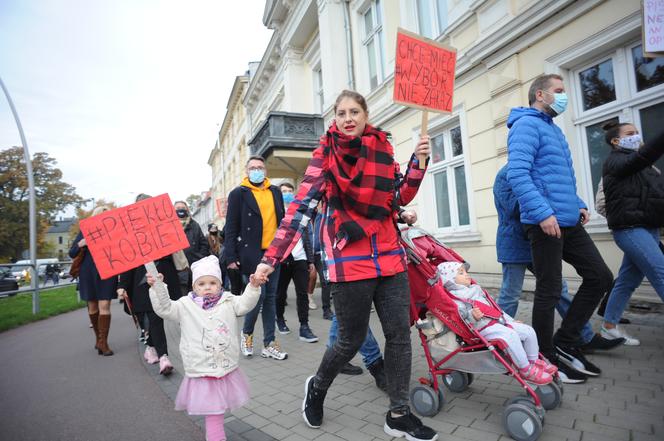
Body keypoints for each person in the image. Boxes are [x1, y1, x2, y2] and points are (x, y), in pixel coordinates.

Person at [254, 90, 437, 440]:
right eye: (341, 113)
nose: (348, 118)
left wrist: (418, 163)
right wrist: (270, 259)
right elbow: (298, 213)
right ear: (334, 119)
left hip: (389, 256)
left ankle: (398, 413)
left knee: (399, 336)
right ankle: (318, 387)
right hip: (348, 262)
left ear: (366, 115)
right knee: (349, 340)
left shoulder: (382, 150)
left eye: (355, 111)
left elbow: (397, 197)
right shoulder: (324, 159)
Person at [507, 74, 613, 377]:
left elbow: (561, 176)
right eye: (559, 91)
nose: (564, 96)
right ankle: (545, 355)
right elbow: (518, 174)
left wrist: (578, 202)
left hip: (567, 218)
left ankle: (565, 342)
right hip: (544, 222)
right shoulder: (526, 125)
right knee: (550, 289)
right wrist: (542, 213)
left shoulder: (553, 129)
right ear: (540, 94)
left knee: (600, 277)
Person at [493, 165, 624, 382]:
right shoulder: (506, 174)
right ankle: (497, 340)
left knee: (559, 288)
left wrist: (578, 205)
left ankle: (584, 336)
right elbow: (513, 208)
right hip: (515, 243)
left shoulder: (541, 170)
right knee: (510, 294)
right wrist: (539, 197)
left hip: (542, 240)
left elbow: (563, 193)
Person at [147, 255, 265, 441]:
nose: (207, 287)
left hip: (225, 367)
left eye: (212, 282)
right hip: (202, 370)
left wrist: (253, 287)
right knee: (214, 414)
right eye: (201, 284)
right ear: (194, 287)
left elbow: (245, 304)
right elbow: (165, 308)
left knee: (217, 412)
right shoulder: (185, 306)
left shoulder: (228, 300)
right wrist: (157, 288)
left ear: (220, 285)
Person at [438, 262, 556, 385]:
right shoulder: (454, 299)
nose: (467, 275)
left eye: (466, 272)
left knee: (528, 330)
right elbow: (460, 319)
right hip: (482, 328)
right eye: (461, 273)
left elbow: (496, 310)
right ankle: (525, 370)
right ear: (450, 280)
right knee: (510, 336)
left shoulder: (475, 290)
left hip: (498, 322)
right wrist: (473, 317)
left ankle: (533, 361)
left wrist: (510, 320)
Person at [599, 123, 664, 346]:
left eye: (637, 132)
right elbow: (641, 157)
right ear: (616, 141)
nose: (636, 136)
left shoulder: (645, 167)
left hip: (649, 227)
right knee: (661, 272)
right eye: (630, 133)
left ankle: (609, 327)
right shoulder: (616, 160)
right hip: (630, 229)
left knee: (628, 280)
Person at [225, 156, 288, 360]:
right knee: (256, 297)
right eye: (252, 168)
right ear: (246, 171)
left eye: (260, 167)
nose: (257, 171)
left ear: (265, 171)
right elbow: (231, 227)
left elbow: (283, 223)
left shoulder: (275, 192)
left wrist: (285, 250)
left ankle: (269, 343)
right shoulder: (238, 194)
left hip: (274, 253)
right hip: (251, 253)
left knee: (270, 297)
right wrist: (230, 257)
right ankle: (247, 335)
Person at [69, 206, 118, 356]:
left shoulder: (114, 231)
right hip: (88, 272)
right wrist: (81, 243)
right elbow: (72, 253)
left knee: (105, 305)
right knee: (92, 307)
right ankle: (98, 339)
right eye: (100, 215)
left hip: (108, 271)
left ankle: (103, 342)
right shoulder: (85, 230)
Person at [275, 182, 318, 343]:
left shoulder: (301, 211)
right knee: (280, 293)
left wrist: (310, 259)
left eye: (289, 191)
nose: (286, 193)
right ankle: (279, 319)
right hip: (282, 259)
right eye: (283, 191)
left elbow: (308, 236)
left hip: (300, 258)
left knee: (302, 293)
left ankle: (304, 327)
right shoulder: (277, 212)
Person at [174, 200, 210, 296]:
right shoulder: (170, 226)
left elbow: (204, 244)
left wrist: (199, 257)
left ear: (187, 210)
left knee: (196, 297)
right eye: (177, 208)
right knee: (182, 298)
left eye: (183, 208)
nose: (180, 210)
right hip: (177, 270)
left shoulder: (194, 225)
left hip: (195, 268)